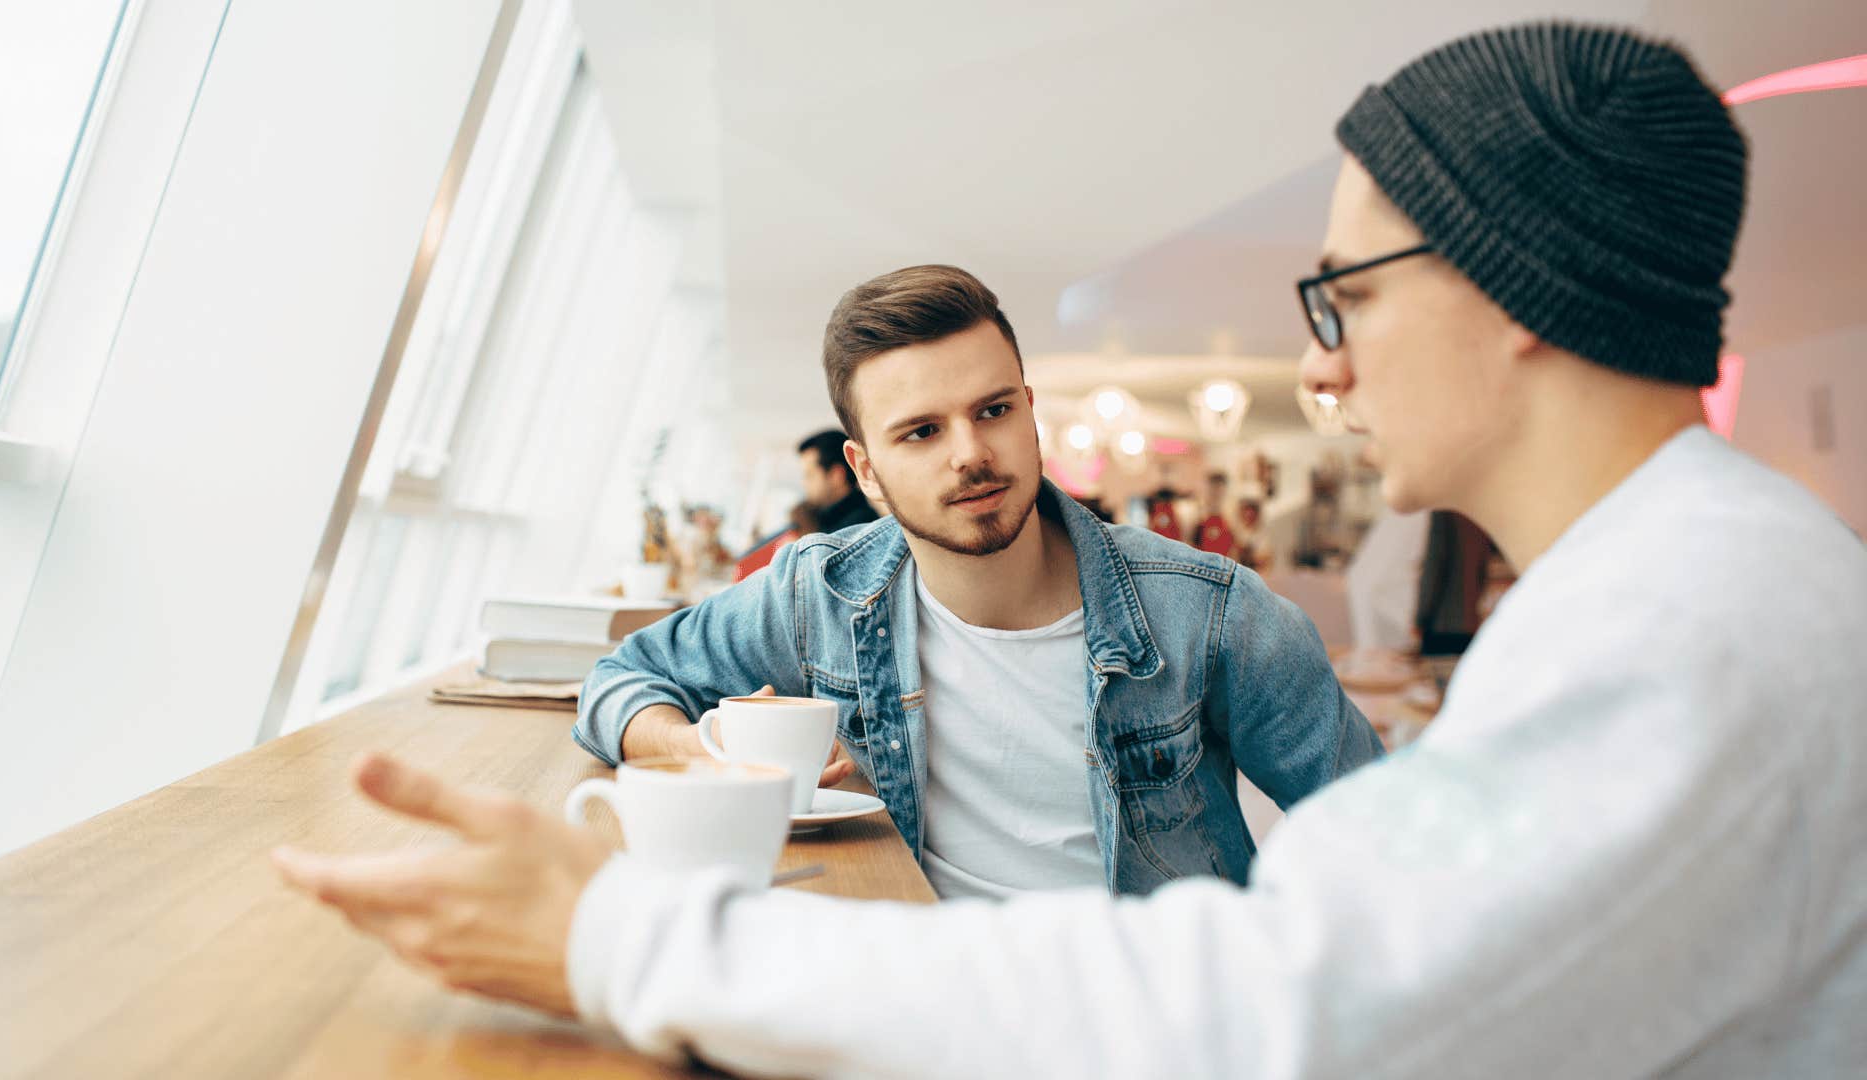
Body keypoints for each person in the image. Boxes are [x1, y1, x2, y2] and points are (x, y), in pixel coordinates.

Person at [275, 21, 1867, 1078]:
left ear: (1509, 284)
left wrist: (619, 932)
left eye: (1346, 295)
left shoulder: (1687, 628)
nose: (1321, 366)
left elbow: (1280, 1009)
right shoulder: (1681, 587)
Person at [578, 265, 1376, 900]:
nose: (970, 454)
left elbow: (1389, 840)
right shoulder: (818, 595)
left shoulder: (1209, 611)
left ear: (1030, 413)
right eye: (922, 432)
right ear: (868, 471)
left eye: (992, 411)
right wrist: (700, 746)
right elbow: (619, 681)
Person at [795, 428, 881, 534]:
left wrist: (808, 532)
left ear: (837, 475)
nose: (804, 483)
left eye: (810, 475)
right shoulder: (824, 520)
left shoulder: (858, 527)